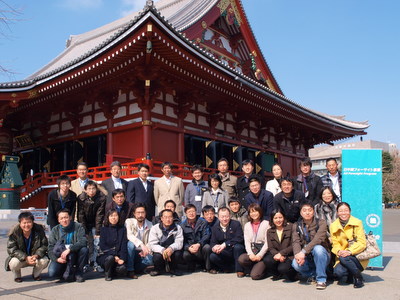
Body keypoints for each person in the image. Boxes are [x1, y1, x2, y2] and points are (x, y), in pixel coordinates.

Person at [292, 202, 331, 290]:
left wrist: (303, 251)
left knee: (318, 249)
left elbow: (317, 239)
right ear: (301, 213)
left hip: (321, 255)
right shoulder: (296, 225)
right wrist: (298, 255)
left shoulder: (321, 222)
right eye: (304, 211)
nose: (307, 213)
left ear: (313, 212)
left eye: (310, 210)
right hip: (306, 256)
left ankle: (321, 279)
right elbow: (295, 242)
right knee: (295, 264)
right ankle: (314, 274)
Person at [330, 202, 368, 288]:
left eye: (346, 210)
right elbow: (335, 243)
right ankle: (351, 275)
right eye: (341, 211)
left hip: (357, 256)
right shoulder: (333, 225)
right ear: (337, 212)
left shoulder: (357, 223)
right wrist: (339, 251)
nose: (343, 213)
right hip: (342, 255)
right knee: (338, 272)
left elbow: (362, 243)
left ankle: (358, 277)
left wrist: (349, 251)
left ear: (350, 211)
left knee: (344, 257)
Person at [5, 212, 49, 282]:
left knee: (44, 260)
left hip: (35, 257)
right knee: (13, 263)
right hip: (21, 258)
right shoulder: (14, 233)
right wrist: (25, 257)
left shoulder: (39, 230)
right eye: (24, 223)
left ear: (32, 222)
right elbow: (12, 249)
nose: (26, 225)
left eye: (29, 222)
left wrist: (36, 255)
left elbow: (44, 245)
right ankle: (17, 276)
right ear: (20, 223)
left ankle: (36, 274)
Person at [48, 209, 88, 283]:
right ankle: (66, 271)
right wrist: (56, 259)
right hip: (61, 256)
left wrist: (70, 249)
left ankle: (79, 273)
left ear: (70, 217)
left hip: (75, 254)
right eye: (61, 218)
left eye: (66, 217)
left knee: (84, 249)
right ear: (58, 220)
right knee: (52, 273)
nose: (64, 220)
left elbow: (83, 241)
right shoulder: (55, 230)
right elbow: (50, 248)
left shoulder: (78, 226)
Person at [77, 180, 106, 271]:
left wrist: (97, 231)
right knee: (86, 243)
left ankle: (95, 263)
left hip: (96, 223)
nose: (91, 191)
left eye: (93, 188)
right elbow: (80, 214)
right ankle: (85, 264)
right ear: (85, 190)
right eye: (89, 189)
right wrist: (84, 230)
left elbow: (100, 215)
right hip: (85, 222)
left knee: (96, 243)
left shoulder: (101, 197)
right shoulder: (81, 198)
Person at [209, 207, 245, 277]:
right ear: (218, 217)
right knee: (212, 256)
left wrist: (226, 244)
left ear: (230, 216)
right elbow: (212, 242)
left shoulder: (236, 224)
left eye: (226, 216)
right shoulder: (215, 228)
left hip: (234, 249)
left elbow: (239, 238)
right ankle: (228, 268)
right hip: (224, 252)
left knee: (238, 247)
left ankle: (239, 270)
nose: (224, 219)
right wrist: (214, 247)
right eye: (222, 217)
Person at [238, 204, 270, 280]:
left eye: (256, 211)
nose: (254, 214)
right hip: (253, 251)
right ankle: (254, 267)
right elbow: (247, 241)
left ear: (260, 212)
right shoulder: (247, 225)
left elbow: (267, 242)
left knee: (255, 276)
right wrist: (250, 254)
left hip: (263, 254)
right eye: (251, 212)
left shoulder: (266, 223)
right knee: (241, 259)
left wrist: (260, 255)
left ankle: (265, 270)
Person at [148, 209, 184, 276]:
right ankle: (158, 269)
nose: (168, 219)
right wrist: (163, 250)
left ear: (173, 218)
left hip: (172, 250)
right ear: (161, 218)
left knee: (178, 254)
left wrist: (171, 248)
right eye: (165, 217)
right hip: (160, 250)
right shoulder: (155, 228)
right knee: (157, 257)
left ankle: (173, 268)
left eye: (170, 217)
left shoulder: (178, 228)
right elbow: (152, 244)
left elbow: (179, 242)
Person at [263, 210, 296, 281]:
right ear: (272, 219)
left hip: (289, 255)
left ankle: (294, 275)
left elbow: (294, 245)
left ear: (284, 218)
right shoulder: (269, 231)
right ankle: (277, 274)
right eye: (275, 218)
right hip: (277, 255)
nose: (278, 220)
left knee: (283, 268)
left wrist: (281, 253)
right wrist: (277, 255)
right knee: (267, 260)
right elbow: (271, 247)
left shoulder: (291, 227)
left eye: (280, 217)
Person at [97, 209, 128, 281]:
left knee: (122, 269)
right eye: (111, 216)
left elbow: (124, 245)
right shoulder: (103, 229)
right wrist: (114, 256)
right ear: (108, 217)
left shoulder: (122, 229)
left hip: (119, 256)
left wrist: (122, 258)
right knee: (110, 258)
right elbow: (103, 246)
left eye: (115, 215)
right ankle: (107, 273)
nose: (114, 218)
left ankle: (113, 271)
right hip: (106, 255)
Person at [125, 203, 153, 279]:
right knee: (130, 244)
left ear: (145, 213)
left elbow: (151, 240)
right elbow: (129, 235)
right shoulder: (129, 221)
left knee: (152, 260)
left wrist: (146, 249)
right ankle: (130, 270)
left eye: (142, 212)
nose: (140, 215)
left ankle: (137, 268)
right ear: (134, 213)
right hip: (133, 251)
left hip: (144, 252)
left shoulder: (150, 224)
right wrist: (141, 244)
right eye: (138, 213)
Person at [181, 204, 212, 272]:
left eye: (193, 211)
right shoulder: (182, 225)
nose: (191, 213)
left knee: (207, 247)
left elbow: (207, 235)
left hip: (201, 247)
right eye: (189, 212)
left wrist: (199, 244)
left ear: (196, 212)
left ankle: (208, 267)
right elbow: (182, 241)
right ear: (185, 213)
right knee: (185, 254)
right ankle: (192, 265)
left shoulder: (203, 222)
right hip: (190, 248)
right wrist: (188, 247)